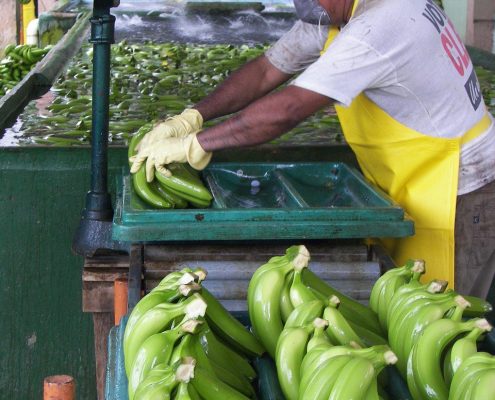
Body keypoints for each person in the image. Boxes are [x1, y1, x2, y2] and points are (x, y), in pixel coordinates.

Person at [129, 0, 495, 299]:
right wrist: (193, 116)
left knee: (448, 320)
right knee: (411, 304)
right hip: (418, 177)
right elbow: (265, 72)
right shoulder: (341, 11)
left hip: (461, 189)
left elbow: (287, 109)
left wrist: (197, 144)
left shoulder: (382, 26)